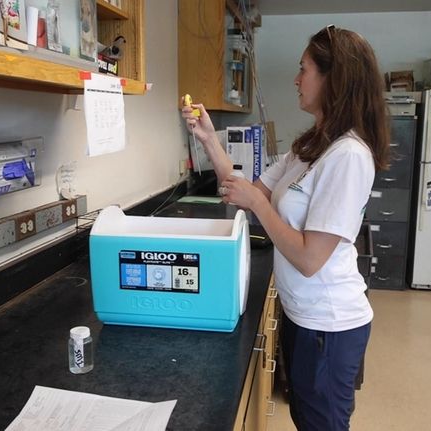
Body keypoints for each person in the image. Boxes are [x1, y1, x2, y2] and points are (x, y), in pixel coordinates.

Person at [181, 25, 390, 430]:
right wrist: (209, 140)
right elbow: (241, 191)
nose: (296, 79)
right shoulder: (311, 146)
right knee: (306, 417)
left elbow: (311, 258)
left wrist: (259, 203)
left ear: (335, 78)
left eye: (304, 69)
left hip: (329, 325)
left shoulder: (348, 155)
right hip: (301, 316)